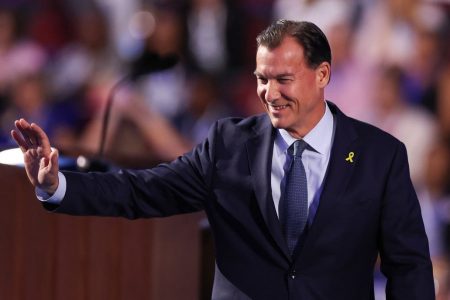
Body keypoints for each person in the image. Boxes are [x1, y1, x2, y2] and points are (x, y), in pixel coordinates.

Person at [11, 20, 434, 299]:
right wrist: (57, 185)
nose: (269, 93)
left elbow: (409, 267)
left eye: (283, 79)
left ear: (322, 74)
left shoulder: (380, 156)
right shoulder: (228, 144)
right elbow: (143, 190)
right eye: (261, 79)